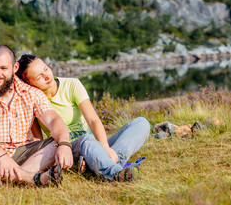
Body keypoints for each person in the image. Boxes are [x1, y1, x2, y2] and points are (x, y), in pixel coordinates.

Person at [16, 54, 151, 182]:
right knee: (86, 140)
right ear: (29, 83)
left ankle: (101, 163)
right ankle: (115, 174)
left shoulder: (72, 85)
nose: (47, 76)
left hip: (94, 144)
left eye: (46, 68)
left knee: (141, 123)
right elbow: (38, 141)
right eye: (39, 76)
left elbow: (93, 120)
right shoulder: (32, 101)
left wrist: (105, 147)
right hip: (69, 149)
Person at [0, 45, 73, 188]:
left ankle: (3, 184)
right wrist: (0, 154)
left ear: (15, 67)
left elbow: (53, 120)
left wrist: (64, 143)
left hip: (24, 154)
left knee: (56, 143)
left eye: (4, 68)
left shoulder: (32, 93)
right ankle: (32, 179)